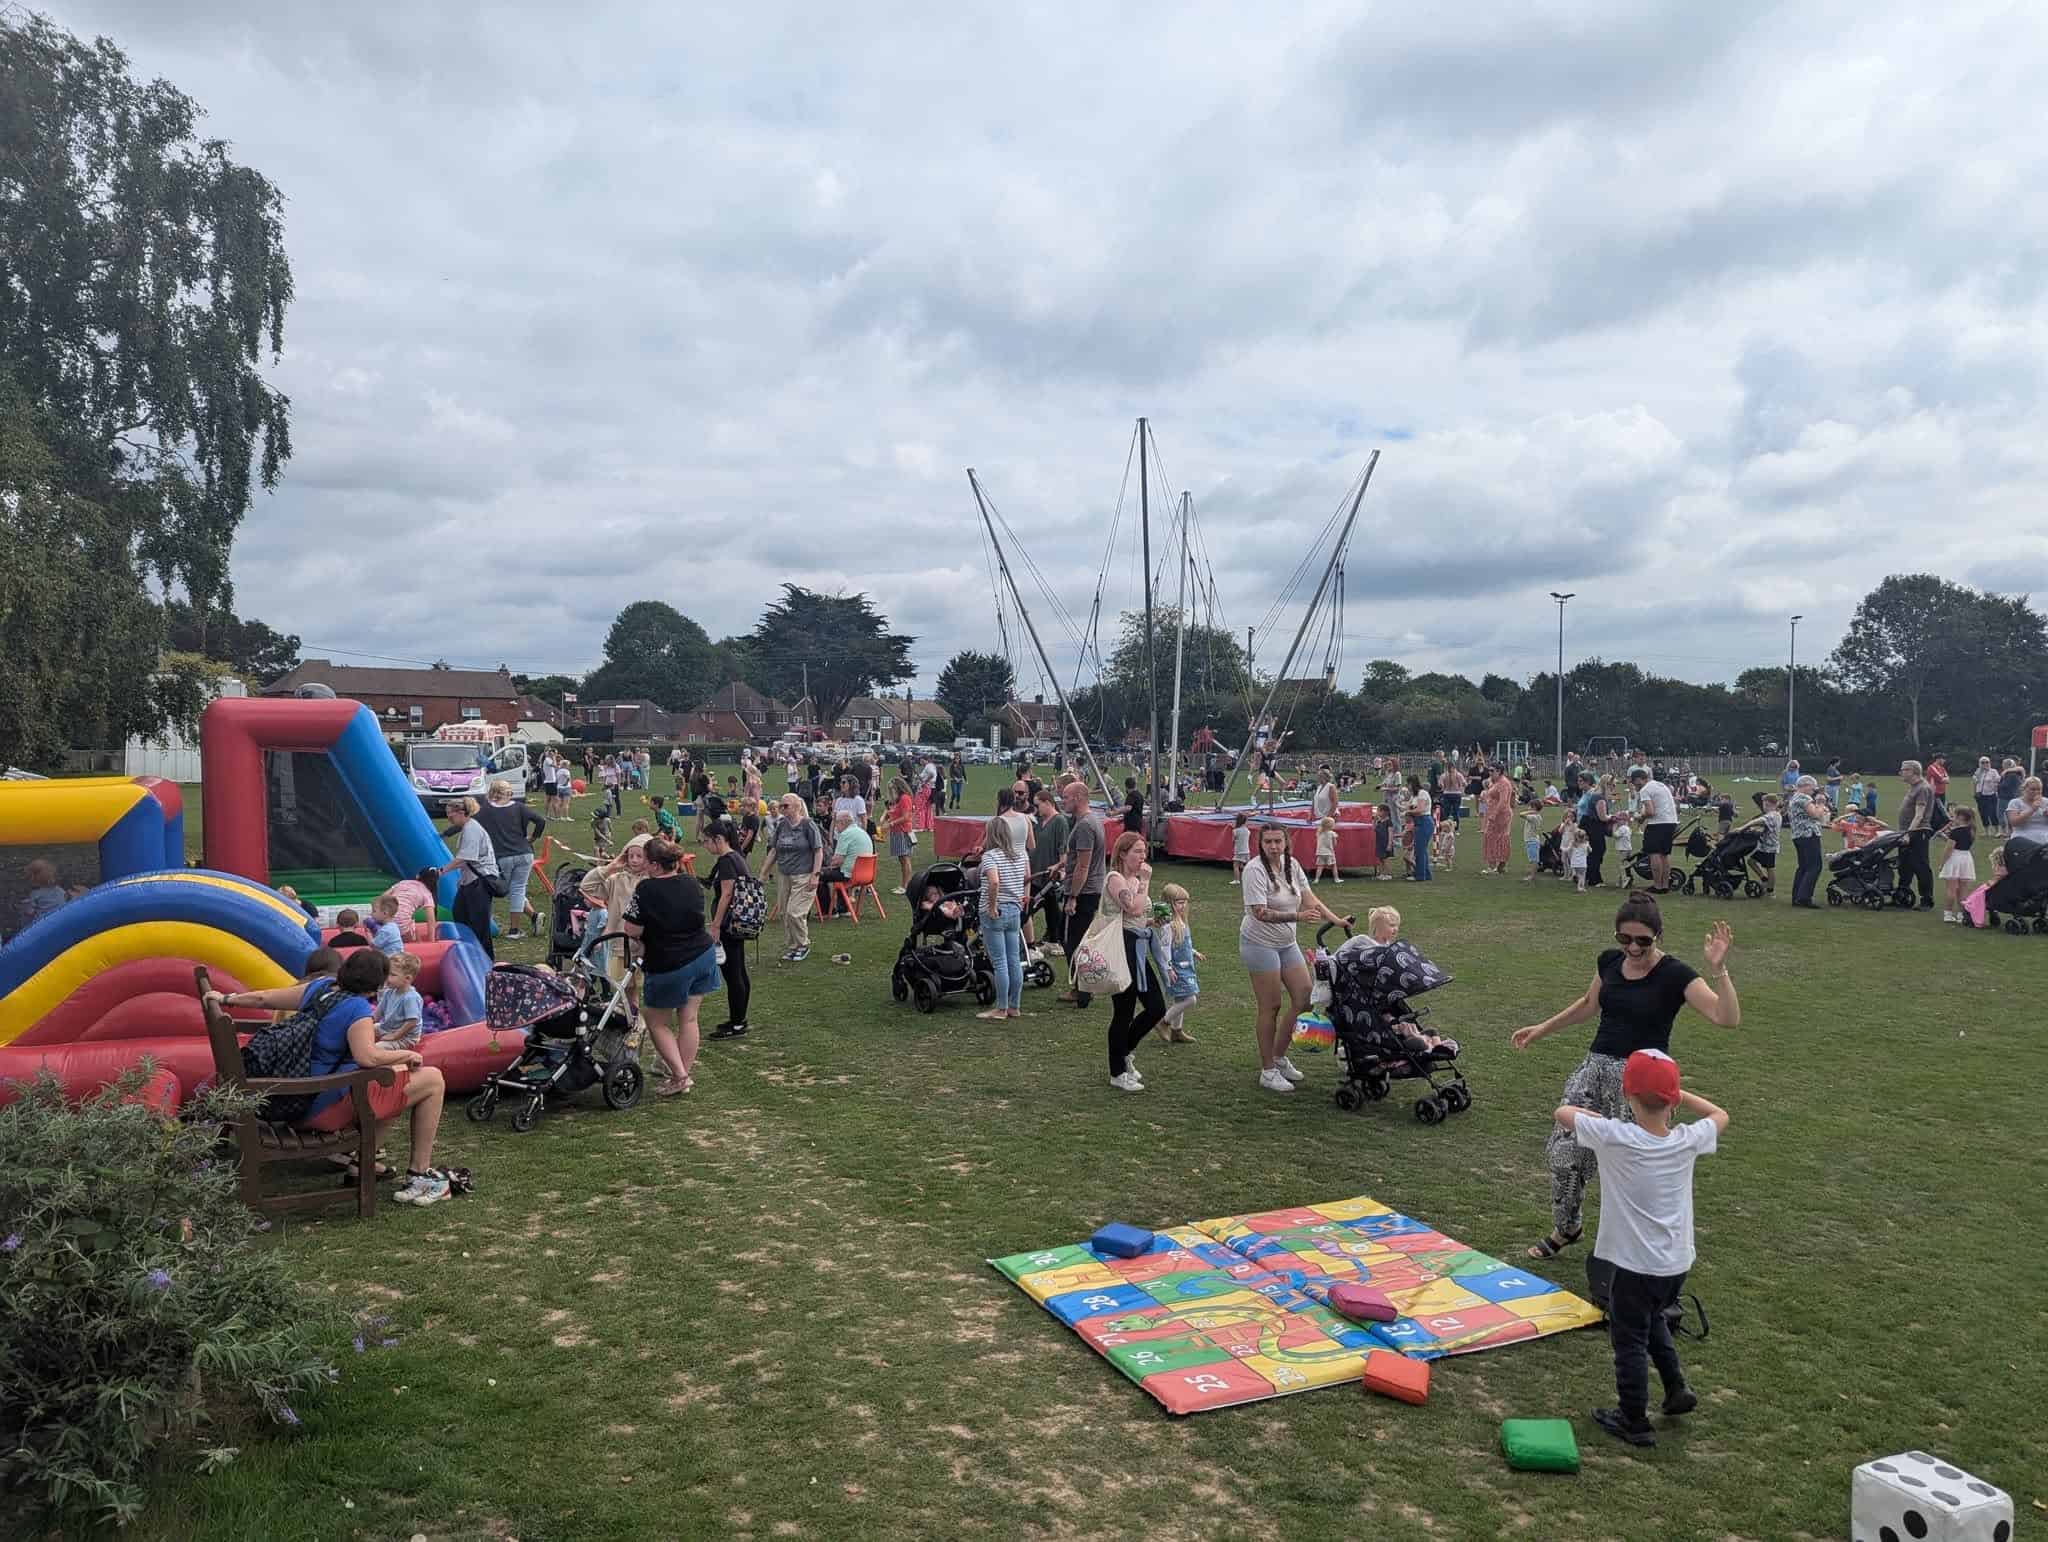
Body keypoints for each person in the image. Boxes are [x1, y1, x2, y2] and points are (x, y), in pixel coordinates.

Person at [1511, 893, 1737, 1260]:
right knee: (1564, 1156)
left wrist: (1719, 970)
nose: (1632, 948)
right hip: (1595, 1070)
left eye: (1642, 940)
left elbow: (1725, 1017)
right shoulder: (1609, 962)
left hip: (1643, 1081)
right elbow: (1589, 1005)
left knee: (1637, 1169)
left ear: (1658, 935)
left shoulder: (1675, 974)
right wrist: (1542, 1028)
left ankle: (1638, 1246)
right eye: (1624, 938)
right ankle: (1567, 1228)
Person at [1554, 1048, 1727, 1448]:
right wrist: (1681, 1095)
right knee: (1653, 1320)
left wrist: (1600, 1116)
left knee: (1629, 1338)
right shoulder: (1686, 1140)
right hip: (1676, 1264)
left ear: (1627, 1094)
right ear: (1672, 1100)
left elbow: (1563, 1112)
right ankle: (1676, 1387)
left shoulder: (1615, 1136)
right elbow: (1720, 1115)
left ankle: (1633, 1418)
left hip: (1634, 1266)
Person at [205, 949, 450, 1205]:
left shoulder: (320, 987)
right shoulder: (358, 1008)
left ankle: (363, 1164)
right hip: (318, 1107)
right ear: (376, 986)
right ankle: (418, 1173)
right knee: (432, 1080)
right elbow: (368, 1058)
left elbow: (263, 998)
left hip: (290, 1097)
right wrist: (407, 1055)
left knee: (397, 1083)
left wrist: (226, 998)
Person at [1241, 822, 1351, 1095]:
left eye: (1278, 841)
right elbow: (1260, 912)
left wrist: (1336, 920)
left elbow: (1310, 899)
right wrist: (1298, 917)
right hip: (1259, 944)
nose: (1273, 846)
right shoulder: (1254, 870)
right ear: (1261, 844)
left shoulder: (1293, 864)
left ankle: (1279, 1057)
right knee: (1271, 1006)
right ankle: (1267, 1070)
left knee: (1304, 999)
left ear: (1286, 842)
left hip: (1286, 943)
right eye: (1268, 842)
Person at [621, 838, 716, 1096]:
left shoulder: (646, 889)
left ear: (654, 865)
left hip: (669, 962)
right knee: (689, 1018)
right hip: (702, 955)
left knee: (655, 1021)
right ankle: (680, 1074)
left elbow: (632, 929)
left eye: (645, 861)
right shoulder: (691, 882)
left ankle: (680, 1076)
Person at [1101, 831, 1166, 1092]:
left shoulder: (1134, 880)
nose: (1143, 856)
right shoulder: (1115, 879)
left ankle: (1124, 1052)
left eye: (1144, 851)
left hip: (1137, 945)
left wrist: (1153, 922)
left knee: (1156, 1007)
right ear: (1123, 853)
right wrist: (1145, 882)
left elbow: (1138, 916)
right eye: (1137, 851)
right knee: (1124, 1011)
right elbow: (1133, 908)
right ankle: (1117, 1071)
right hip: (1122, 947)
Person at [579, 833, 652, 1011]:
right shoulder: (616, 880)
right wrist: (610, 867)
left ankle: (649, 1020)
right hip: (620, 945)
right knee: (626, 990)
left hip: (647, 945)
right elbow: (587, 886)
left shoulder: (652, 881)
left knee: (650, 989)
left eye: (639, 856)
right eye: (630, 855)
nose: (634, 860)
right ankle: (632, 1019)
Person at [1058, 779, 1108, 1008]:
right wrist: (1060, 865)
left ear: (1078, 798)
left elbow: (1083, 865)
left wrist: (1073, 897)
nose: (1062, 801)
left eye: (1066, 797)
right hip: (1088, 889)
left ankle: (1082, 990)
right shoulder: (1090, 821)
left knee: (1073, 941)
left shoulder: (1085, 826)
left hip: (1084, 892)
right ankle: (1082, 987)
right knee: (1074, 939)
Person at [475, 779, 546, 941]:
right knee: (516, 889)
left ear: (491, 792)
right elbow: (541, 821)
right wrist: (532, 838)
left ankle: (514, 930)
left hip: (503, 856)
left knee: (510, 890)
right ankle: (534, 916)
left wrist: (445, 834)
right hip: (525, 853)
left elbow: (467, 823)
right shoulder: (519, 807)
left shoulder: (485, 811)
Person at [977, 813, 1030, 1022]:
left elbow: (994, 882)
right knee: (1014, 960)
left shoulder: (990, 857)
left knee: (999, 962)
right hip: (1014, 910)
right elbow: (1025, 877)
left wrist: (991, 907)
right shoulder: (1019, 855)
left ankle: (1001, 1008)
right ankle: (1014, 1005)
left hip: (996, 911)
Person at [762, 791, 824, 963]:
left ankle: (803, 945)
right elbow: (774, 850)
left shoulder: (808, 825)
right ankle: (793, 946)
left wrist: (815, 875)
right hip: (784, 874)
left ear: (797, 807)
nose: (782, 808)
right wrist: (764, 872)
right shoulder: (782, 825)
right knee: (784, 912)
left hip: (803, 875)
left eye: (785, 806)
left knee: (795, 912)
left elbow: (818, 851)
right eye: (781, 805)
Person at [438, 798, 500, 959]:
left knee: (479, 922)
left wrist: (442, 871)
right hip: (470, 881)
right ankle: (469, 951)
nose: (448, 818)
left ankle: (485, 958)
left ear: (461, 812)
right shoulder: (467, 828)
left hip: (480, 881)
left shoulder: (472, 830)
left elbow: (465, 858)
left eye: (450, 815)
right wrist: (462, 880)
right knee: (460, 913)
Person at [1153, 882, 1202, 1045]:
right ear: (1169, 904)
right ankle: (1164, 1022)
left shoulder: (1181, 922)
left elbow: (1182, 944)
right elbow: (1165, 949)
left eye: (1184, 902)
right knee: (1190, 999)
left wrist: (1194, 952)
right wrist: (1168, 969)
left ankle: (1177, 1031)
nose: (1183, 906)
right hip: (1176, 968)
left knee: (1181, 999)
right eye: (1179, 902)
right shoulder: (1168, 926)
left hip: (1186, 966)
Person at [1630, 766, 1681, 893]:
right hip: (1671, 821)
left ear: (1639, 779)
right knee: (1664, 855)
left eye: (1634, 782)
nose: (1634, 786)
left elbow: (1650, 811)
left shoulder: (1645, 789)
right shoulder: (1660, 785)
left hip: (1658, 824)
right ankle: (1665, 885)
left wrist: (1640, 817)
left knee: (1654, 854)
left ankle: (1657, 885)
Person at [1896, 759, 1939, 910]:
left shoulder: (1922, 788)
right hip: (1906, 832)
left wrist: (1908, 834)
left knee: (1920, 866)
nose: (1901, 772)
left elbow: (1919, 815)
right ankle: (1901, 896)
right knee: (1904, 866)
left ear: (1912, 771)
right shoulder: (1914, 787)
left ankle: (1926, 900)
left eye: (1903, 770)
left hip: (1918, 832)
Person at [820, 809, 873, 917]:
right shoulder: (862, 832)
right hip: (866, 875)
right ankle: (843, 909)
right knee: (837, 872)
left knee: (818, 875)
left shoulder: (845, 834)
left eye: (836, 823)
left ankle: (827, 910)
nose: (835, 827)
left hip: (850, 874)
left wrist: (826, 864)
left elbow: (838, 860)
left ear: (843, 822)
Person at [1785, 775, 1828, 909]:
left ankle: (1797, 897)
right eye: (1812, 788)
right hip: (1808, 835)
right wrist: (1821, 803)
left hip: (1798, 835)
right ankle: (1804, 898)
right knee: (1814, 866)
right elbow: (1815, 814)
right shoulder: (1803, 798)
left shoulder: (1794, 798)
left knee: (1803, 867)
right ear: (1805, 785)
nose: (1813, 790)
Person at [373, 952, 425, 1048]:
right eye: (387, 973)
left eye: (392, 975)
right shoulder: (389, 992)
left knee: (378, 1048)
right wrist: (366, 1024)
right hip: (387, 1028)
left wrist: (394, 1036)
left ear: (407, 978)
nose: (387, 978)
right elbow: (377, 1014)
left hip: (405, 1038)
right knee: (364, 1030)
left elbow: (412, 1022)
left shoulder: (410, 998)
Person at [1734, 793, 1781, 897]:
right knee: (1751, 861)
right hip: (1765, 846)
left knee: (1770, 868)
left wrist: (1742, 828)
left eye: (1763, 803)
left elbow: (1757, 821)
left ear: (1768, 804)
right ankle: (1764, 879)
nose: (1763, 806)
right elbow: (1764, 826)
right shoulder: (1776, 814)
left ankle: (1770, 891)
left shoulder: (1772, 816)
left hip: (1769, 847)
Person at [1937, 804, 1978, 923]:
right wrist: (1946, 838)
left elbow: (1949, 849)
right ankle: (1961, 915)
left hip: (1955, 858)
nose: (1952, 818)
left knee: (1951, 889)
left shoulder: (1955, 831)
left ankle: (1948, 914)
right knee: (1963, 890)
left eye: (1954, 816)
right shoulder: (1971, 830)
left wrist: (1942, 863)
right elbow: (1960, 843)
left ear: (1961, 817)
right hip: (1966, 858)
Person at [377, 868, 442, 942]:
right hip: (400, 926)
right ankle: (416, 946)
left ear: (417, 876)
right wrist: (432, 941)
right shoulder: (427, 894)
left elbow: (382, 897)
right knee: (415, 933)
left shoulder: (403, 882)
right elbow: (431, 921)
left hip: (384, 919)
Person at [880, 776, 916, 896]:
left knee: (905, 859)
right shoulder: (898, 799)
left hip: (903, 831)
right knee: (902, 859)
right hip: (896, 831)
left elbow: (906, 817)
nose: (891, 792)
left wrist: (890, 823)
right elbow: (893, 812)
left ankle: (905, 886)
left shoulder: (905, 798)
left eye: (892, 789)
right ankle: (904, 884)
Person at [1576, 772, 1610, 889]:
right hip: (1591, 824)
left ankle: (1586, 876)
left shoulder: (1592, 793)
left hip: (1587, 823)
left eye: (1581, 781)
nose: (1578, 783)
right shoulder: (1593, 795)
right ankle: (1593, 878)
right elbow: (1601, 816)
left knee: (1592, 851)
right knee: (1596, 851)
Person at [1479, 766, 1515, 875]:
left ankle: (1494, 866)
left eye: (1492, 771)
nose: (1490, 773)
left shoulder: (1504, 783)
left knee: (1495, 837)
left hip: (1500, 814)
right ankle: (1499, 866)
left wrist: (1494, 814)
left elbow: (1503, 801)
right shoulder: (1495, 781)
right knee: (1495, 837)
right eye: (1489, 770)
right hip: (1493, 813)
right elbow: (1491, 794)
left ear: (1499, 771)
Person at [2005, 775, 2048, 852]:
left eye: (2039, 789)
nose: (2036, 792)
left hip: (2045, 836)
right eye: (2033, 789)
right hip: (2022, 836)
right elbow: (2014, 822)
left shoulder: (2046, 801)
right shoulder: (2015, 802)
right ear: (2024, 789)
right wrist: (2032, 809)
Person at [1405, 776, 1434, 882]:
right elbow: (1408, 806)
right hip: (1418, 822)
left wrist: (1408, 812)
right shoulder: (1414, 796)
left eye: (1408, 784)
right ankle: (1427, 874)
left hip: (1424, 822)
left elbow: (1420, 810)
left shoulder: (1422, 793)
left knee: (1419, 850)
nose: (1407, 787)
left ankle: (1420, 875)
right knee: (1422, 850)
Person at [1520, 801, 1547, 883]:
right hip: (1532, 840)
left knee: (1534, 860)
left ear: (1534, 807)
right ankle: (1532, 874)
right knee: (1532, 859)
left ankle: (1532, 876)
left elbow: (1521, 814)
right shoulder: (1537, 816)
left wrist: (1531, 811)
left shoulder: (1534, 817)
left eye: (1530, 806)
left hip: (1532, 840)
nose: (1528, 808)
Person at [1996, 759, 2024, 834]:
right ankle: (2007, 831)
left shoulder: (2011, 775)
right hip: (2009, 796)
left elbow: (2006, 785)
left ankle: (2007, 832)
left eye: (2003, 764)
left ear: (2007, 765)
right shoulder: (2014, 774)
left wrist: (1997, 785)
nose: (2002, 766)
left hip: (2006, 797)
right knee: (2006, 815)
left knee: (2002, 815)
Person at [1312, 815, 1340, 886]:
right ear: (1331, 826)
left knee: (1320, 866)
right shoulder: (1332, 833)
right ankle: (1336, 879)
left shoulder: (1319, 833)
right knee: (1333, 866)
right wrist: (1334, 841)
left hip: (1320, 852)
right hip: (1329, 852)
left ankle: (1316, 879)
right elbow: (1335, 843)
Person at [1230, 811, 1252, 885]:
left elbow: (1233, 840)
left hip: (1239, 851)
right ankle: (1249, 879)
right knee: (1245, 866)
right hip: (1247, 851)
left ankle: (1237, 880)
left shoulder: (1235, 831)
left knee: (1236, 865)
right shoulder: (1247, 831)